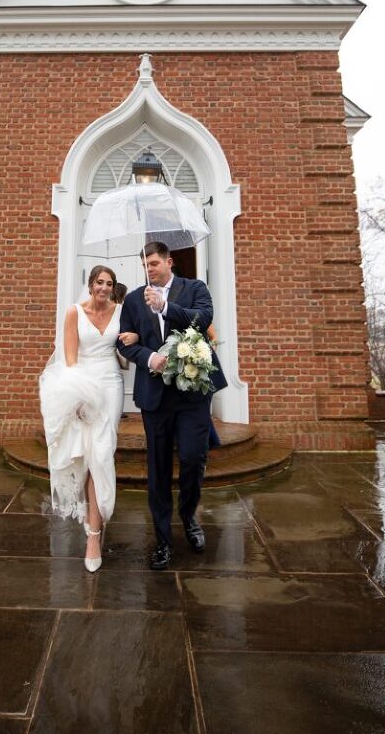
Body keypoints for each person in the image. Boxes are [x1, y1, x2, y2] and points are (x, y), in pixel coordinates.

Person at [118, 241, 227, 570]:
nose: (149, 269)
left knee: (194, 458)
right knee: (159, 468)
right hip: (154, 397)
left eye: (154, 263)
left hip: (192, 394)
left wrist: (166, 307)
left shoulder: (194, 288)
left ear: (169, 262)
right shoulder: (136, 298)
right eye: (145, 264)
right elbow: (123, 339)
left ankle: (189, 516)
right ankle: (163, 538)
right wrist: (148, 355)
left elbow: (201, 320)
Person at [39, 265, 137, 572]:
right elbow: (69, 360)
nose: (104, 287)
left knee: (102, 453)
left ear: (113, 287)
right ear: (90, 284)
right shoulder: (74, 313)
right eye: (99, 282)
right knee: (84, 455)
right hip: (82, 385)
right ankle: (92, 523)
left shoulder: (122, 312)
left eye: (109, 283)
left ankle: (94, 533)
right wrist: (76, 398)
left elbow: (130, 343)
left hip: (110, 385)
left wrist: (133, 335)